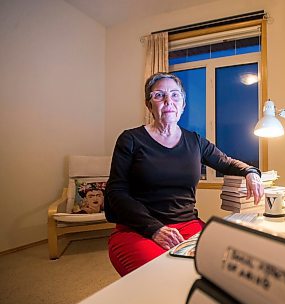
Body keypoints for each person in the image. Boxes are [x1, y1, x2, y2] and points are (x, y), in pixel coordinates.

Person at [105, 72, 264, 276]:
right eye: (159, 95)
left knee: (225, 268)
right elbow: (116, 192)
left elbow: (225, 162)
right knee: (163, 277)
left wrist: (251, 171)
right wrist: (154, 229)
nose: (168, 101)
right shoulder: (131, 139)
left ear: (183, 104)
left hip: (188, 226)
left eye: (175, 95)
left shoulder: (195, 141)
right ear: (149, 104)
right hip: (139, 229)